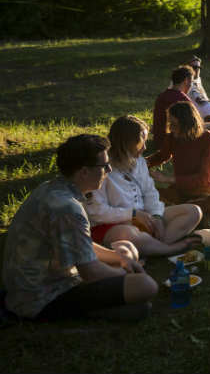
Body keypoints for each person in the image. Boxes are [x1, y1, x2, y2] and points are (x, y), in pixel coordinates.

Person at [2, 134, 157, 321]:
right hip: (43, 296)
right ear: (84, 171)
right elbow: (90, 272)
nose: (109, 169)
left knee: (124, 251)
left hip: (31, 287)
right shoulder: (67, 208)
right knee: (146, 285)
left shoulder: (54, 189)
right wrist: (123, 273)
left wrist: (118, 258)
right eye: (104, 166)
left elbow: (79, 244)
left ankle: (113, 308)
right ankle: (91, 313)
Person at [84, 116, 203, 257]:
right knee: (129, 233)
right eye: (142, 141)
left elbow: (150, 192)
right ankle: (168, 249)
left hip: (144, 218)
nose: (145, 147)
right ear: (128, 142)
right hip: (113, 225)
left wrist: (157, 216)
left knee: (193, 212)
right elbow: (97, 212)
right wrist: (132, 214)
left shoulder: (139, 162)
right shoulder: (102, 168)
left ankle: (151, 247)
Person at [147, 101, 210, 227]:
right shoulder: (173, 137)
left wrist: (167, 179)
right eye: (170, 123)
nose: (171, 128)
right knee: (147, 194)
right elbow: (162, 156)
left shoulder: (209, 140)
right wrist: (141, 163)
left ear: (187, 124)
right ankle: (188, 213)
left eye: (174, 124)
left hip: (200, 194)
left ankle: (180, 212)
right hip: (177, 192)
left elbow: (204, 178)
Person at [152, 65, 194, 149]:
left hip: (158, 141)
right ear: (186, 81)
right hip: (175, 143)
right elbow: (193, 127)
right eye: (191, 82)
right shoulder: (183, 100)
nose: (191, 85)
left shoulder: (162, 96)